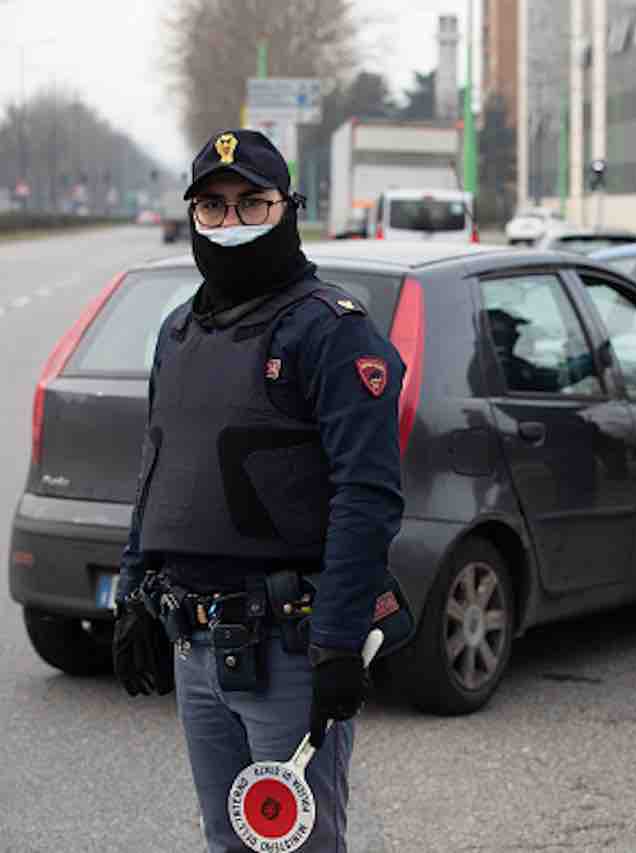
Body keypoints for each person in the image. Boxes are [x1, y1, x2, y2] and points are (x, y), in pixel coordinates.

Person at [111, 129, 405, 851]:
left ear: (289, 208)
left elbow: (366, 495)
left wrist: (338, 642)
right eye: (212, 207)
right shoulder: (177, 331)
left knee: (293, 845)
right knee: (226, 839)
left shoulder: (332, 332)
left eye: (252, 204)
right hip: (197, 646)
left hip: (290, 650)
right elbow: (155, 467)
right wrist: (131, 591)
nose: (230, 223)